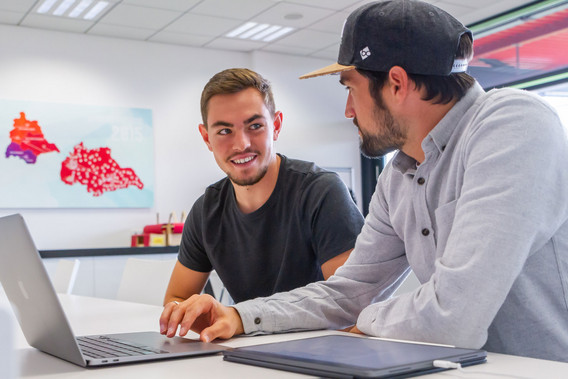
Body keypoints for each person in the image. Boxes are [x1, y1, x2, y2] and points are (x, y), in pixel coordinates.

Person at [159, 0, 568, 362]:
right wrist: (239, 316)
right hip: (453, 367)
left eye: (351, 88)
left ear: (396, 82)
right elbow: (347, 292)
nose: (348, 109)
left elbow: (453, 313)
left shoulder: (513, 125)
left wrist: (365, 320)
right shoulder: (400, 175)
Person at [161, 68, 364, 309]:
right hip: (246, 343)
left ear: (276, 125)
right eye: (224, 131)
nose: (241, 144)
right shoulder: (206, 212)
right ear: (206, 138)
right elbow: (176, 300)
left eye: (255, 126)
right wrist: (202, 316)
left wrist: (243, 320)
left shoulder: (321, 193)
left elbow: (350, 304)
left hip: (321, 344)